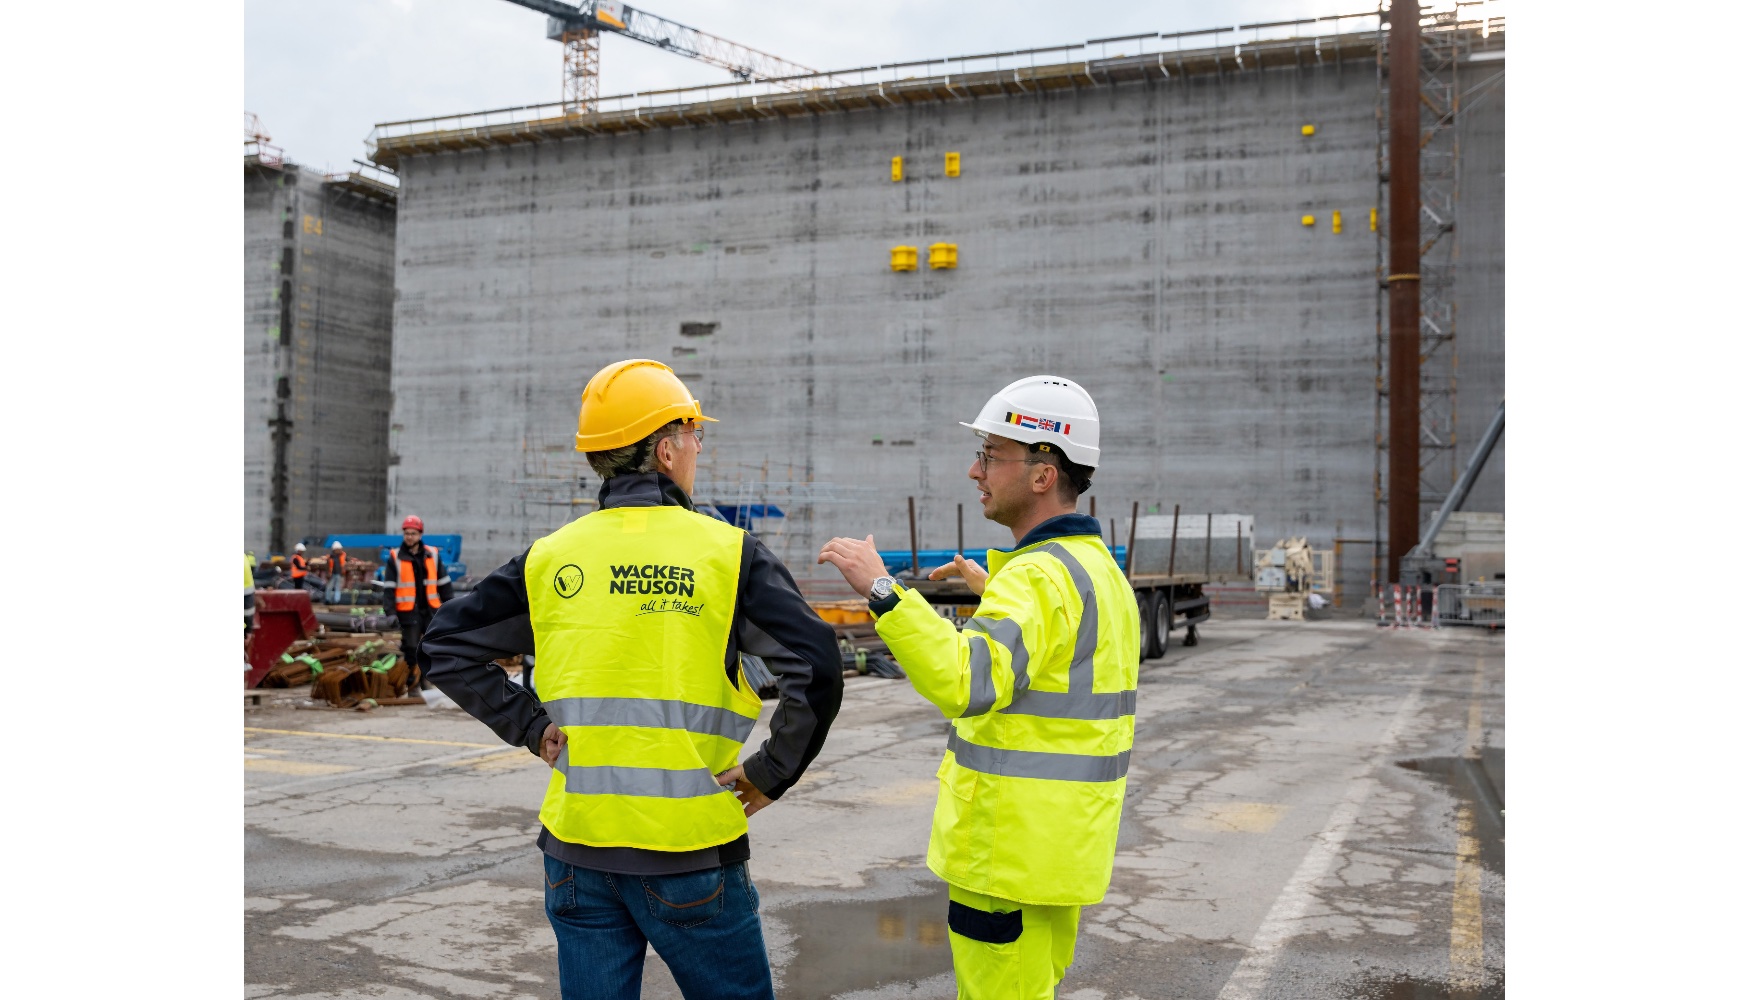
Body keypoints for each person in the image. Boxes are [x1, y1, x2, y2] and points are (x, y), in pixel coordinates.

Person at [421, 359, 842, 1000]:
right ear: (666, 448)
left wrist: (529, 726)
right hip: (691, 855)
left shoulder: (550, 557)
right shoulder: (728, 554)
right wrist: (769, 772)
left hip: (575, 852)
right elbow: (815, 667)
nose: (699, 447)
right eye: (695, 433)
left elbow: (446, 643)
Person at [818, 375, 1138, 1000]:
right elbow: (1061, 665)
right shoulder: (1098, 571)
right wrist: (993, 590)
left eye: (991, 455)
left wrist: (884, 592)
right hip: (1061, 848)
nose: (975, 470)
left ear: (1043, 473)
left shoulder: (1035, 578)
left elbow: (966, 682)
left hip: (1006, 853)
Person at [378, 515, 453, 688]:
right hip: (408, 612)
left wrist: (452, 607)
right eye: (406, 533)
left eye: (413, 533)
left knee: (432, 648)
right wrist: (389, 612)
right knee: (411, 649)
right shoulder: (395, 557)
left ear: (420, 534)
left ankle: (428, 682)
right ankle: (412, 683)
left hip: (430, 611)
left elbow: (444, 583)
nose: (409, 537)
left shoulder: (432, 554)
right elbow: (389, 588)